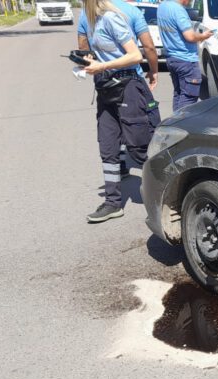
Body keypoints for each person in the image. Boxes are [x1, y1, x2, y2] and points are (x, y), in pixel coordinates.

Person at [81, 0, 161, 223]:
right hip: (106, 90)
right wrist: (90, 61)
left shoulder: (110, 17)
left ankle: (166, 194)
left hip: (128, 88)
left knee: (140, 147)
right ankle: (112, 203)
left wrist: (102, 66)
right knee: (108, 147)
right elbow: (104, 54)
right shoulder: (90, 19)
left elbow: (136, 56)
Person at [157, 0, 213, 111]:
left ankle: (173, 124)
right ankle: (181, 125)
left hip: (172, 58)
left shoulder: (162, 6)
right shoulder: (178, 10)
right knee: (189, 98)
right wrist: (204, 36)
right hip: (186, 60)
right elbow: (190, 37)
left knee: (179, 94)